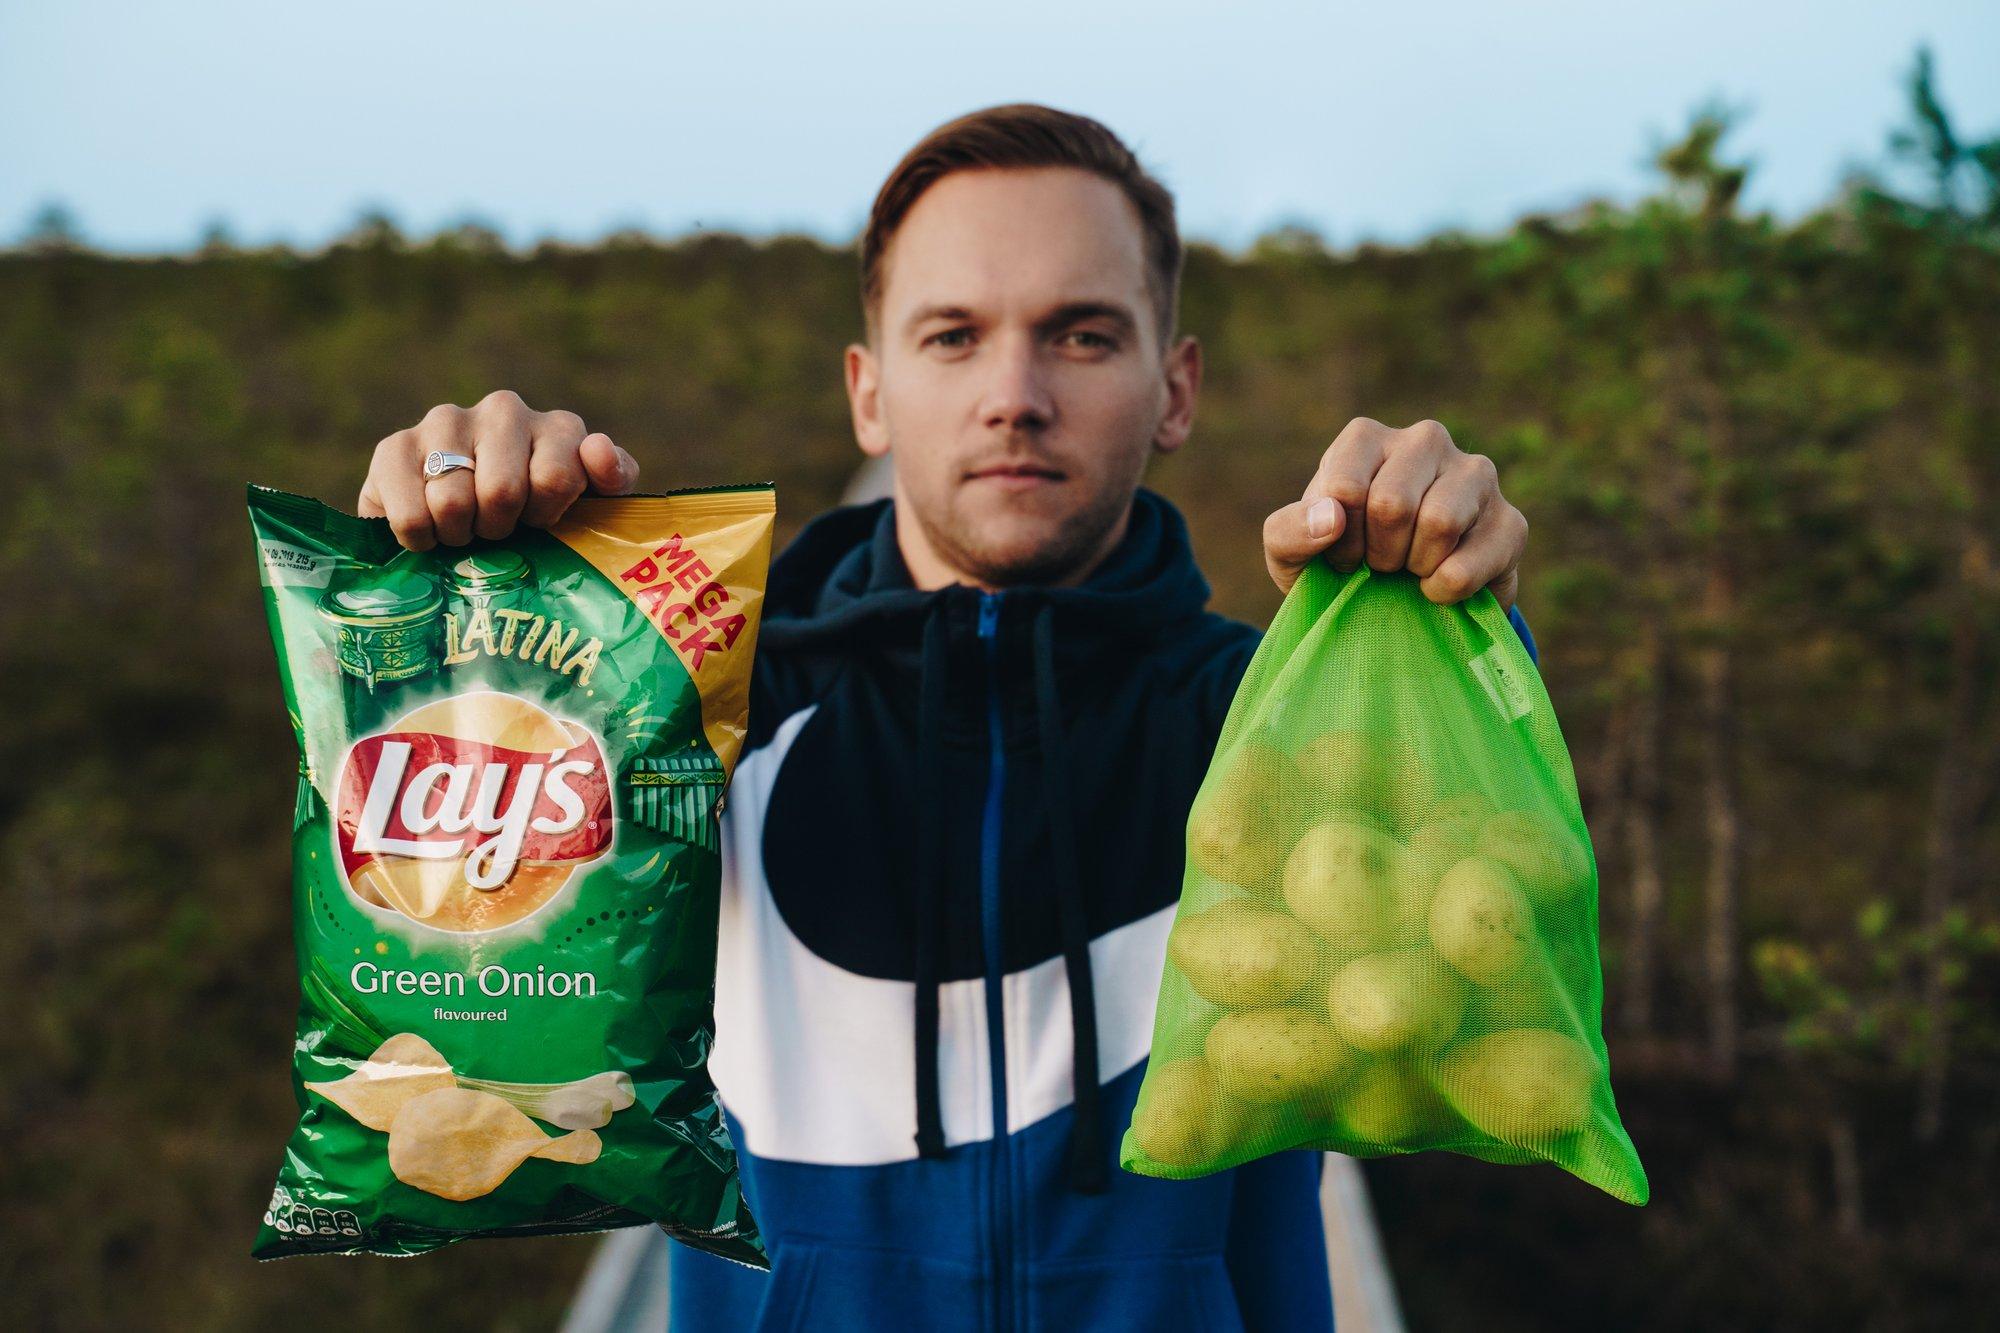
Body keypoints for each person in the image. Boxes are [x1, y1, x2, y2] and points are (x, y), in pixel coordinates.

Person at [358, 103, 1532, 1331]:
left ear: (1174, 389)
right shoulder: (691, 721)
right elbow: (457, 982)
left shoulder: (1266, 728)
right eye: (953, 335)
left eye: (1081, 335)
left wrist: (1444, 624)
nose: (1013, 396)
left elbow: (1486, 953)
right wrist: (464, 606)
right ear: (868, 395)